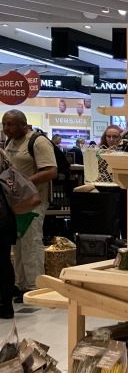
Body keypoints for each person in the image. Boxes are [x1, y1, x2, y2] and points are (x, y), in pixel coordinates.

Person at [2, 110, 56, 299]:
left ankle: (35, 287)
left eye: (10, 124)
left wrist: (24, 183)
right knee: (17, 245)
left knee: (31, 243)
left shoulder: (38, 142)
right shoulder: (10, 142)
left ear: (23, 125)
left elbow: (51, 171)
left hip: (34, 202)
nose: (6, 128)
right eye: (4, 124)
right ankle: (21, 284)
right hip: (15, 204)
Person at [0, 150, 17, 318]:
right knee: (4, 261)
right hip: (6, 219)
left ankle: (5, 305)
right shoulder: (4, 158)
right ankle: (6, 305)